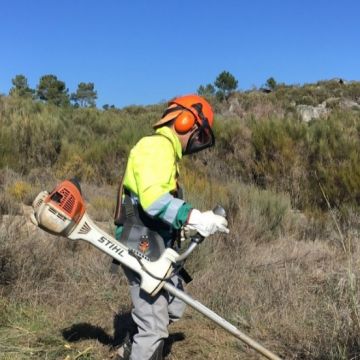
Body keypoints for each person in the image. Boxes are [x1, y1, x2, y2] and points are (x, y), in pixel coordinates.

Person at [114, 94, 229, 360]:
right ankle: (144, 344)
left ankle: (132, 343)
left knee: (175, 303)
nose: (196, 144)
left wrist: (183, 228)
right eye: (198, 136)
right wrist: (194, 217)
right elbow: (153, 200)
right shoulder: (157, 147)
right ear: (185, 120)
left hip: (151, 238)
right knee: (154, 327)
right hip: (137, 239)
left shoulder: (165, 153)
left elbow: (157, 206)